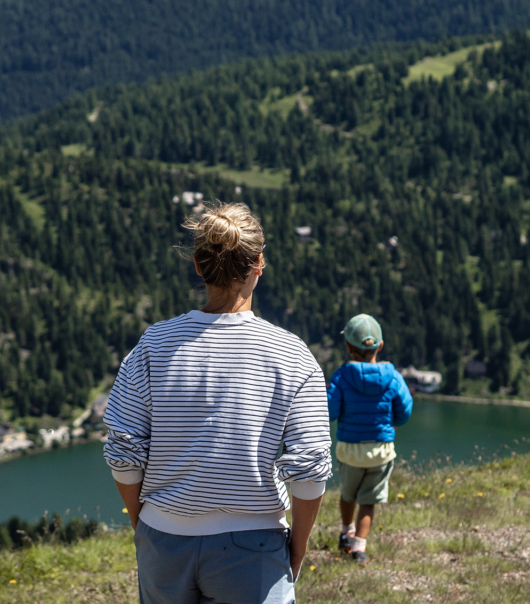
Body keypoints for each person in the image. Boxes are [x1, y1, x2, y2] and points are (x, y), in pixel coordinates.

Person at [103, 201, 332, 604]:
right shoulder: (292, 354)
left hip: (164, 542)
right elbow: (311, 466)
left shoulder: (154, 345)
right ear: (259, 263)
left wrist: (148, 525)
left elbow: (123, 451)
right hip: (254, 547)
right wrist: (297, 548)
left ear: (197, 265)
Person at [326, 313, 413, 565]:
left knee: (348, 494)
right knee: (369, 501)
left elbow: (330, 412)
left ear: (348, 347)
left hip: (350, 450)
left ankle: (345, 532)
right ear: (380, 346)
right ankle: (359, 548)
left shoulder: (342, 377)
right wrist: (392, 423)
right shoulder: (393, 377)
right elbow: (404, 412)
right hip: (381, 450)